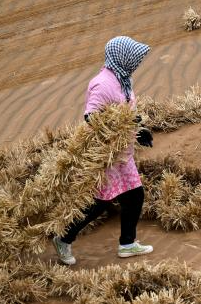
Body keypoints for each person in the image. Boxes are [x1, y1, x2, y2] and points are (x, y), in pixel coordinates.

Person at [52, 35, 155, 265]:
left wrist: (140, 129)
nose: (137, 63)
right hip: (106, 156)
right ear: (121, 57)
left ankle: (127, 244)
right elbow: (92, 117)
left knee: (134, 195)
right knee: (100, 201)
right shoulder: (102, 83)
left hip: (122, 154)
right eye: (134, 58)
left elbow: (125, 112)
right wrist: (123, 128)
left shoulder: (122, 80)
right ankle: (63, 238)